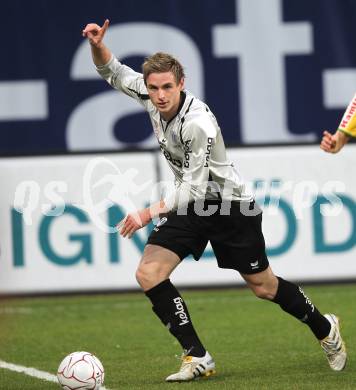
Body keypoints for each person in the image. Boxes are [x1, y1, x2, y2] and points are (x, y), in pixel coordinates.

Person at [82, 19, 347, 382]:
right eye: (154, 88)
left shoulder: (198, 122)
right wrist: (97, 44)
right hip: (191, 205)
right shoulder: (147, 93)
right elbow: (112, 71)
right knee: (149, 272)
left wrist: (147, 212)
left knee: (263, 287)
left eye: (167, 88)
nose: (160, 96)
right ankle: (197, 356)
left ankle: (324, 327)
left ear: (182, 85)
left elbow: (193, 187)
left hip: (229, 206)